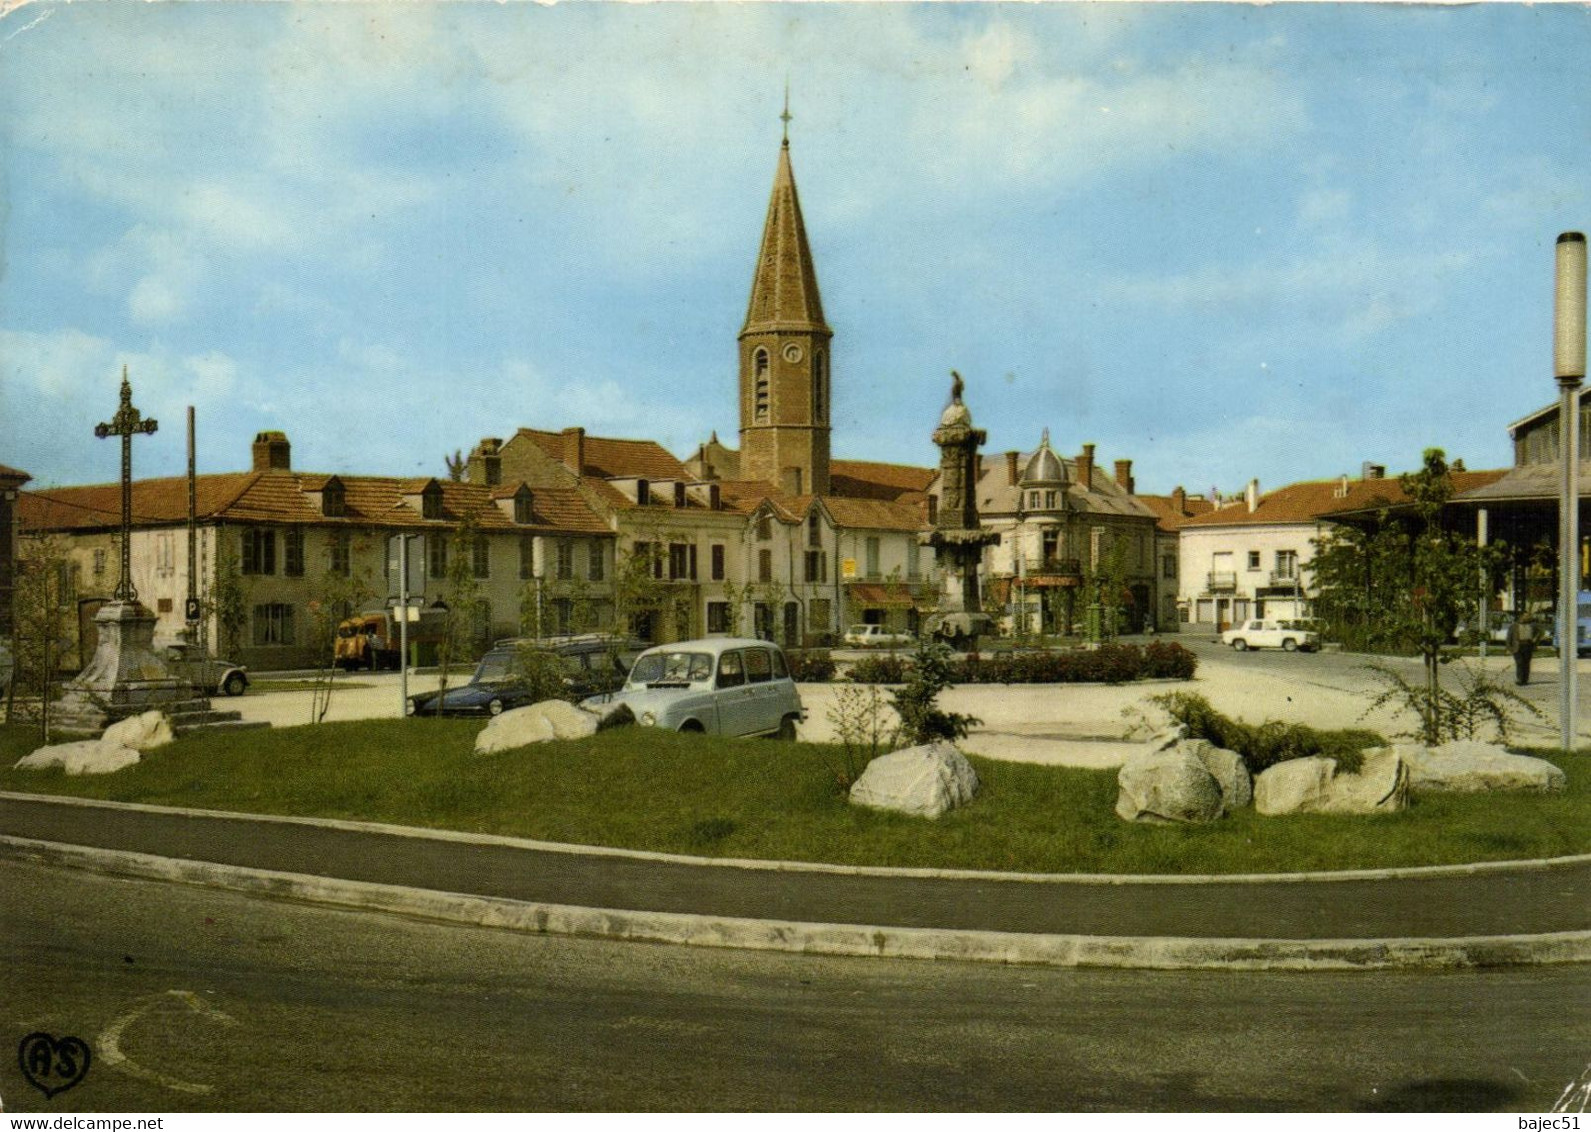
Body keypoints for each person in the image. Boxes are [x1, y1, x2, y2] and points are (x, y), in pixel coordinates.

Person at [1506, 610, 1539, 686]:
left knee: (1526, 663)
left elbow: (1540, 632)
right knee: (1520, 662)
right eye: (1526, 616)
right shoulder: (1514, 626)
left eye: (1528, 616)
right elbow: (1509, 638)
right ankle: (1520, 679)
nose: (1528, 617)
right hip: (1518, 647)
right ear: (1521, 617)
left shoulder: (1532, 625)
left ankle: (1525, 679)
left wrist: (1535, 640)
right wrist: (1509, 648)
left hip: (1528, 646)